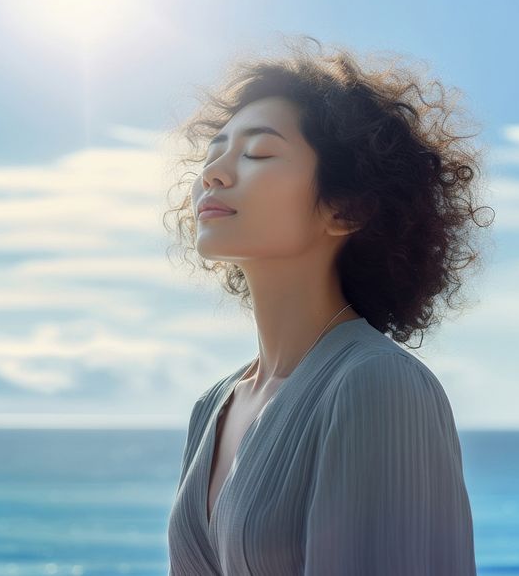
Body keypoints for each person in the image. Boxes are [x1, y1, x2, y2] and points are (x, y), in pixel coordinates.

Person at [162, 35, 494, 575]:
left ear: (346, 209)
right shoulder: (213, 407)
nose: (213, 175)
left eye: (259, 153)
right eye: (213, 154)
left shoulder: (379, 384)